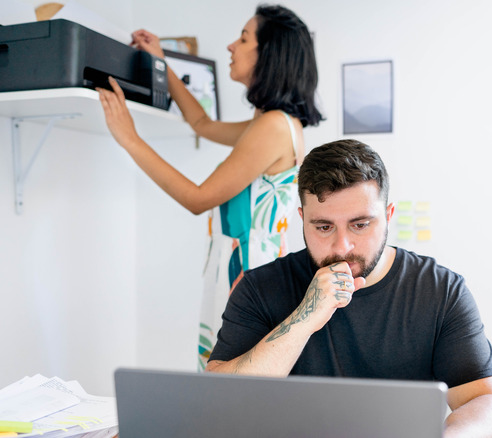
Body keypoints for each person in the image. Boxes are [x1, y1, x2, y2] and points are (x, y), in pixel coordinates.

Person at [206, 139, 492, 437]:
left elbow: (487, 402)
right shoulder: (259, 287)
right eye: (323, 227)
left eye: (360, 224)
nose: (342, 246)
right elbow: (217, 401)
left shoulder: (440, 290)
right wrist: (305, 318)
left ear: (388, 216)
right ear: (302, 219)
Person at [97, 5, 323, 369]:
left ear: (268, 55)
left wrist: (130, 139)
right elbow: (202, 123)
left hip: (249, 280)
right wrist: (163, 64)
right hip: (247, 274)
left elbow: (198, 199)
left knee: (230, 397)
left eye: (244, 38)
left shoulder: (273, 127)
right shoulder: (272, 122)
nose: (231, 46)